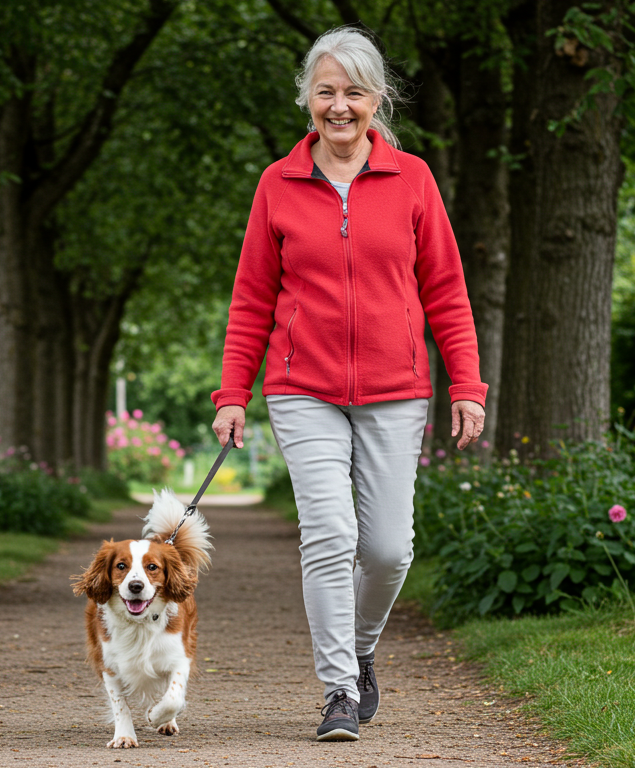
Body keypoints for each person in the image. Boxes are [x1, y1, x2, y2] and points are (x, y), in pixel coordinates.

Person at [210, 26, 486, 742]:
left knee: (391, 548)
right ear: (308, 98)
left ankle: (360, 649)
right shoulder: (278, 183)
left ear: (377, 100)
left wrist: (467, 385)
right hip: (304, 389)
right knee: (330, 534)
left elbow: (447, 292)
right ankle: (337, 688)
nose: (340, 106)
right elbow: (251, 299)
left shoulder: (414, 179)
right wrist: (232, 394)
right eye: (326, 91)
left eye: (354, 92)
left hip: (398, 387)